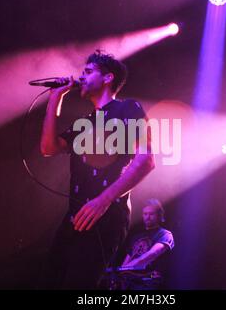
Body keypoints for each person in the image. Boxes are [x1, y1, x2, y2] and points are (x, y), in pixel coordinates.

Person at [40, 50, 155, 289]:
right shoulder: (86, 121)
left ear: (107, 78)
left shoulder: (128, 108)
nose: (82, 76)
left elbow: (146, 160)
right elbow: (48, 147)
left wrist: (103, 200)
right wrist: (55, 99)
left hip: (106, 214)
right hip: (75, 215)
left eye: (88, 71)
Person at [117, 199, 174, 290]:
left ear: (159, 216)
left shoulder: (165, 234)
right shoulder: (137, 236)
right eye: (145, 214)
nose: (147, 217)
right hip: (132, 282)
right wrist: (121, 274)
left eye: (151, 214)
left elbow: (151, 254)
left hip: (150, 280)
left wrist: (126, 268)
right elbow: (128, 258)